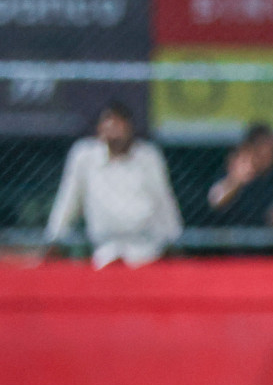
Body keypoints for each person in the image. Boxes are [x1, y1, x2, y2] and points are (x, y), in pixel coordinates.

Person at [45, 101, 183, 268]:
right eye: (109, 123)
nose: (115, 130)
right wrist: (54, 238)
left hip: (146, 251)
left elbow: (163, 200)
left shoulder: (148, 156)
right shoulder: (84, 156)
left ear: (130, 128)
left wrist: (175, 240)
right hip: (104, 251)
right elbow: (68, 199)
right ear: (99, 128)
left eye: (120, 124)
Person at [207, 122, 273, 227]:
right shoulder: (235, 172)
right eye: (261, 147)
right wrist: (236, 180)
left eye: (272, 148)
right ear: (249, 148)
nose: (267, 153)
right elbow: (216, 201)